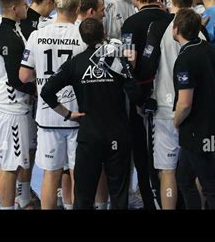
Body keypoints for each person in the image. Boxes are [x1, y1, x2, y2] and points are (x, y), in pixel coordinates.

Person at [41, 18, 141, 209]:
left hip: (90, 136)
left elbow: (46, 92)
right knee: (119, 195)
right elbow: (136, 95)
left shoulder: (75, 63)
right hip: (117, 135)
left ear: (82, 38)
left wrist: (68, 114)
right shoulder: (117, 60)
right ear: (103, 33)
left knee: (83, 196)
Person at [19, 0, 86, 209]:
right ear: (77, 9)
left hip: (48, 116)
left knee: (51, 174)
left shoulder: (37, 35)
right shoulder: (82, 35)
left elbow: (24, 75)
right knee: (78, 174)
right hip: (77, 115)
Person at [137, 0, 201, 209]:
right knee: (198, 170)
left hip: (166, 110)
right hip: (194, 110)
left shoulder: (158, 26)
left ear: (168, 0)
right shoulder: (199, 29)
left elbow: (146, 66)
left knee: (167, 171)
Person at [172, 9, 215, 209]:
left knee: (210, 185)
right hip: (211, 125)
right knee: (184, 179)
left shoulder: (185, 59)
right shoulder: (210, 49)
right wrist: (211, 103)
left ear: (176, 29)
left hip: (195, 131)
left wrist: (175, 120)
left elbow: (185, 103)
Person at [121, 0, 171, 209]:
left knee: (143, 157)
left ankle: (151, 203)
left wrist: (136, 98)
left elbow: (128, 65)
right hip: (171, 95)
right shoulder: (171, 19)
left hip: (142, 99)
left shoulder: (130, 24)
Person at [0, 0, 37, 209]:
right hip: (9, 108)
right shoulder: (8, 35)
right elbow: (16, 80)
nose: (28, 6)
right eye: (25, 3)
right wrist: (40, 91)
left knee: (9, 162)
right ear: (15, 8)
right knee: (10, 166)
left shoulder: (2, 25)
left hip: (10, 106)